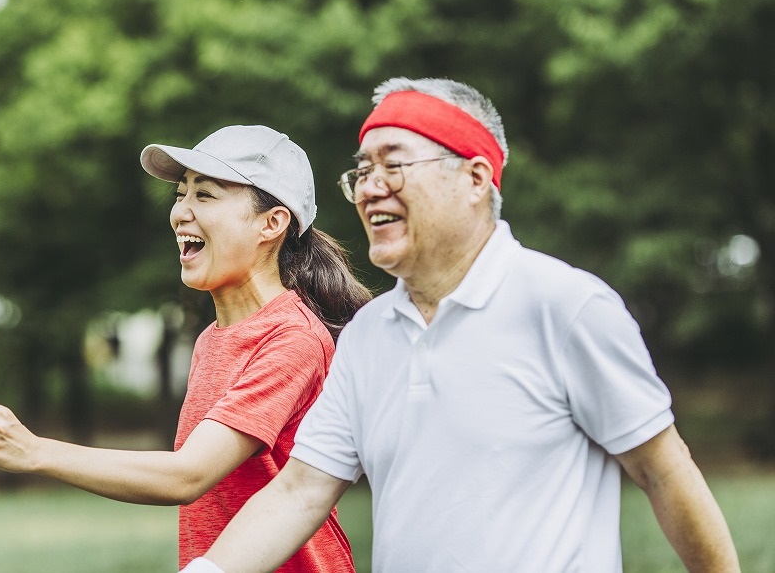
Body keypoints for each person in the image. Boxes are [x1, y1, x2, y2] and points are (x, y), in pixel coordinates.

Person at [181, 79, 741, 573]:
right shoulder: (368, 336)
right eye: (363, 171)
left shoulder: (565, 307)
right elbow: (299, 494)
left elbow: (664, 474)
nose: (371, 186)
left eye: (393, 164)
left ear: (475, 178)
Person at [0, 125, 371, 571]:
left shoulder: (291, 339)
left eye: (206, 195)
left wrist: (37, 452)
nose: (180, 213)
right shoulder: (211, 340)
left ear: (271, 223)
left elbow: (187, 475)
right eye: (180, 195)